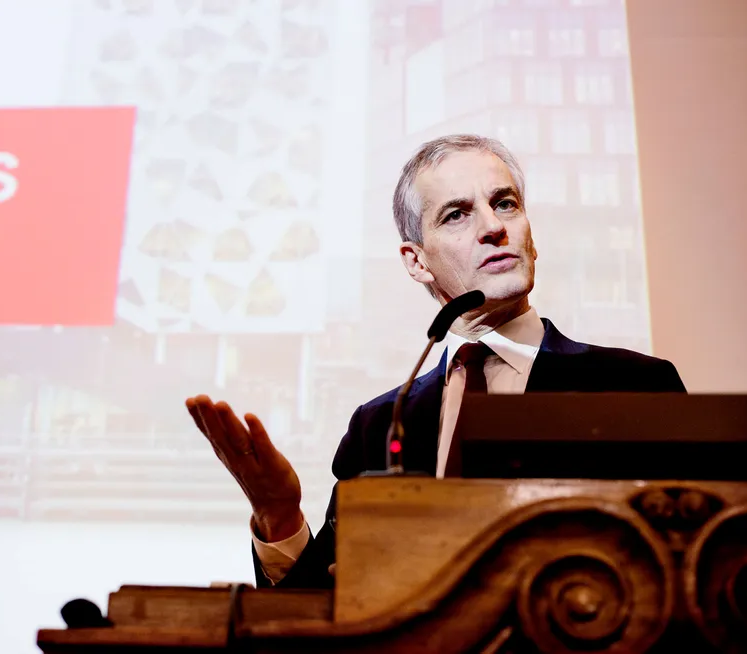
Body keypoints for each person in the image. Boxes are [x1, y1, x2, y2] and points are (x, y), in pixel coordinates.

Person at [185, 135, 685, 590]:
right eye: (456, 215)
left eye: (505, 204)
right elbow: (323, 610)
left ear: (531, 235)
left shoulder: (635, 386)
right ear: (416, 261)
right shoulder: (380, 425)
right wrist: (279, 515)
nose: (493, 227)